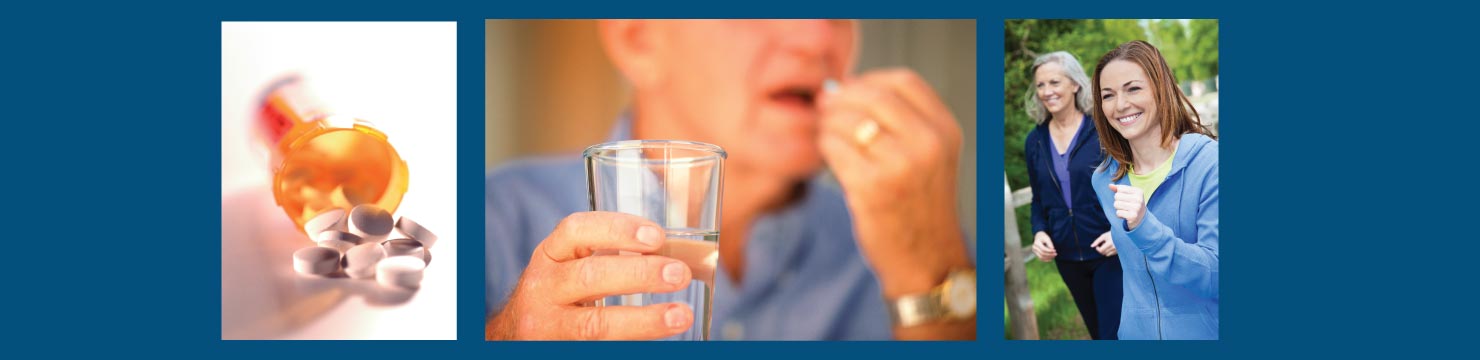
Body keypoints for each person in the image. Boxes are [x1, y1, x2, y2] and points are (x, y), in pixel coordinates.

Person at [484, 20, 976, 340]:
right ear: (637, 39)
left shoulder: (923, 245)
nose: (819, 39)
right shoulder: (483, 222)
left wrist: (931, 282)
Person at [1088, 40, 1219, 340]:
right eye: (1108, 95)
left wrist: (1145, 227)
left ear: (1161, 89)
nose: (1120, 105)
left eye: (1133, 89)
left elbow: (1216, 274)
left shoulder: (1211, 163)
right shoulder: (1105, 180)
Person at [1021, 51, 1121, 340]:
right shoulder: (1034, 141)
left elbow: (1127, 184)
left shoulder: (1101, 130)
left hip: (1107, 250)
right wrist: (1039, 232)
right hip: (1065, 256)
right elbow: (1039, 198)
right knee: (1095, 331)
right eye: (1040, 85)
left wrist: (1120, 232)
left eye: (1054, 82)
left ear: (1075, 84)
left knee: (1112, 334)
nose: (1047, 91)